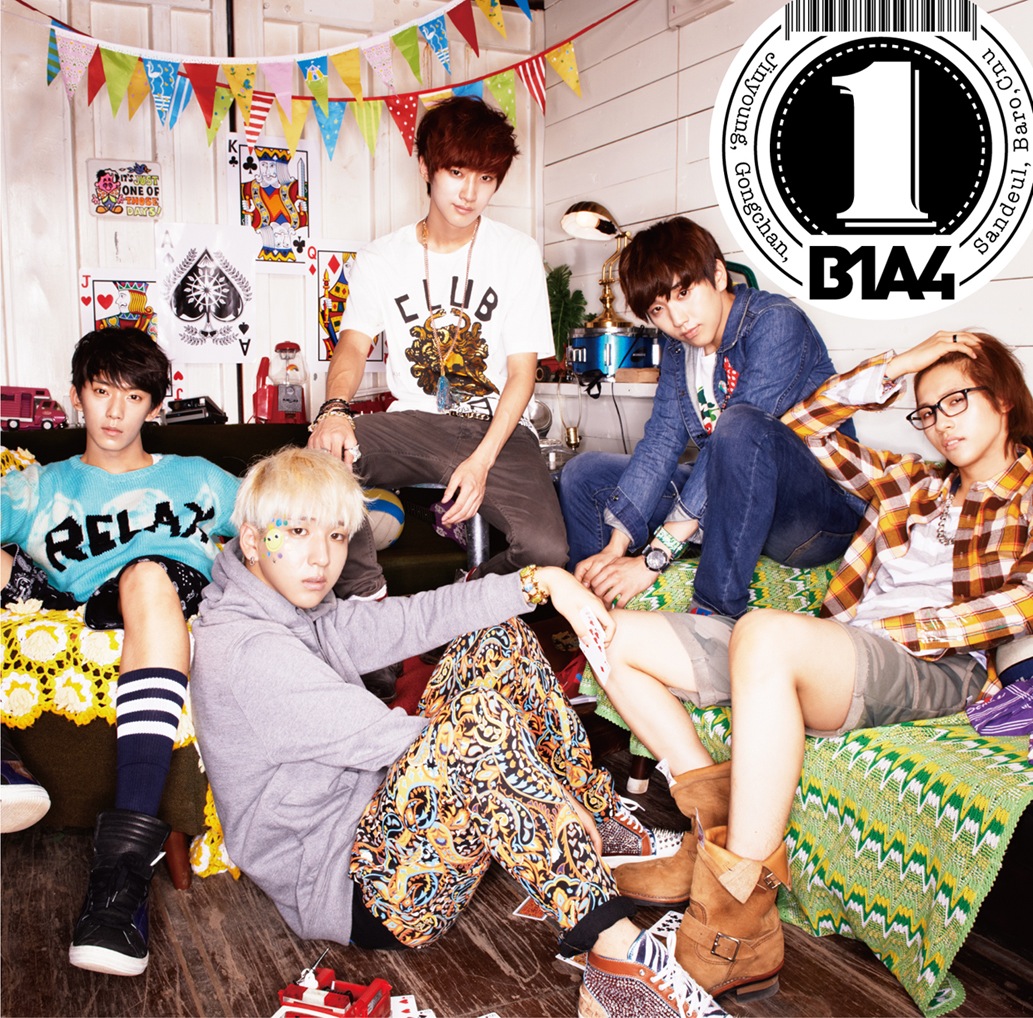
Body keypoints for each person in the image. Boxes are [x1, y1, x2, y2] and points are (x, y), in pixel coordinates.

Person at [189, 447, 728, 1018]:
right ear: (252, 541)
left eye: (336, 536)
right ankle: (612, 953)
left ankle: (599, 832)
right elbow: (393, 738)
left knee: (497, 641)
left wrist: (543, 582)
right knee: (476, 726)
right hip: (361, 890)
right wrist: (548, 795)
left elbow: (420, 616)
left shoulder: (296, 611)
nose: (321, 557)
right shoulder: (248, 652)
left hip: (380, 818)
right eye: (297, 532)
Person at [596, 330, 1033, 1002]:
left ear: (1002, 398)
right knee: (610, 635)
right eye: (927, 410)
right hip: (836, 648)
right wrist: (901, 366)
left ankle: (738, 926)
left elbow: (1023, 600)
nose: (941, 424)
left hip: (935, 663)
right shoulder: (913, 484)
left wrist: (895, 631)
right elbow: (800, 427)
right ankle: (716, 836)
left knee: (765, 634)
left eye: (957, 401)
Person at [0, 328, 239, 977]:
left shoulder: (196, 477)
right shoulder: (38, 486)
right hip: (68, 603)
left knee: (147, 576)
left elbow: (282, 513)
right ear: (76, 395)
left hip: (163, 599)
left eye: (133, 397)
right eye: (102, 391)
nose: (114, 411)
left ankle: (121, 873)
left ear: (153, 407)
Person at [306, 96, 567, 595]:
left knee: (547, 552)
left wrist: (482, 461)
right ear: (426, 167)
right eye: (457, 172)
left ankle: (464, 596)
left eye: (486, 178)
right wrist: (335, 410)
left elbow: (522, 373)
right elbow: (353, 346)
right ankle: (368, 599)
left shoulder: (516, 253)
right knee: (323, 455)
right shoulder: (381, 258)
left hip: (499, 429)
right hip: (417, 425)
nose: (470, 193)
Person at [560, 217, 866, 619]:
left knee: (738, 425)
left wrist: (654, 557)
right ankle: (591, 613)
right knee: (584, 474)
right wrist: (616, 548)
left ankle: (713, 612)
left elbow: (739, 441)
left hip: (814, 517)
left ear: (718, 275)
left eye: (684, 293)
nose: (678, 320)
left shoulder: (775, 322)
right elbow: (661, 443)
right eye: (659, 309)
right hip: (730, 497)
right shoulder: (678, 350)